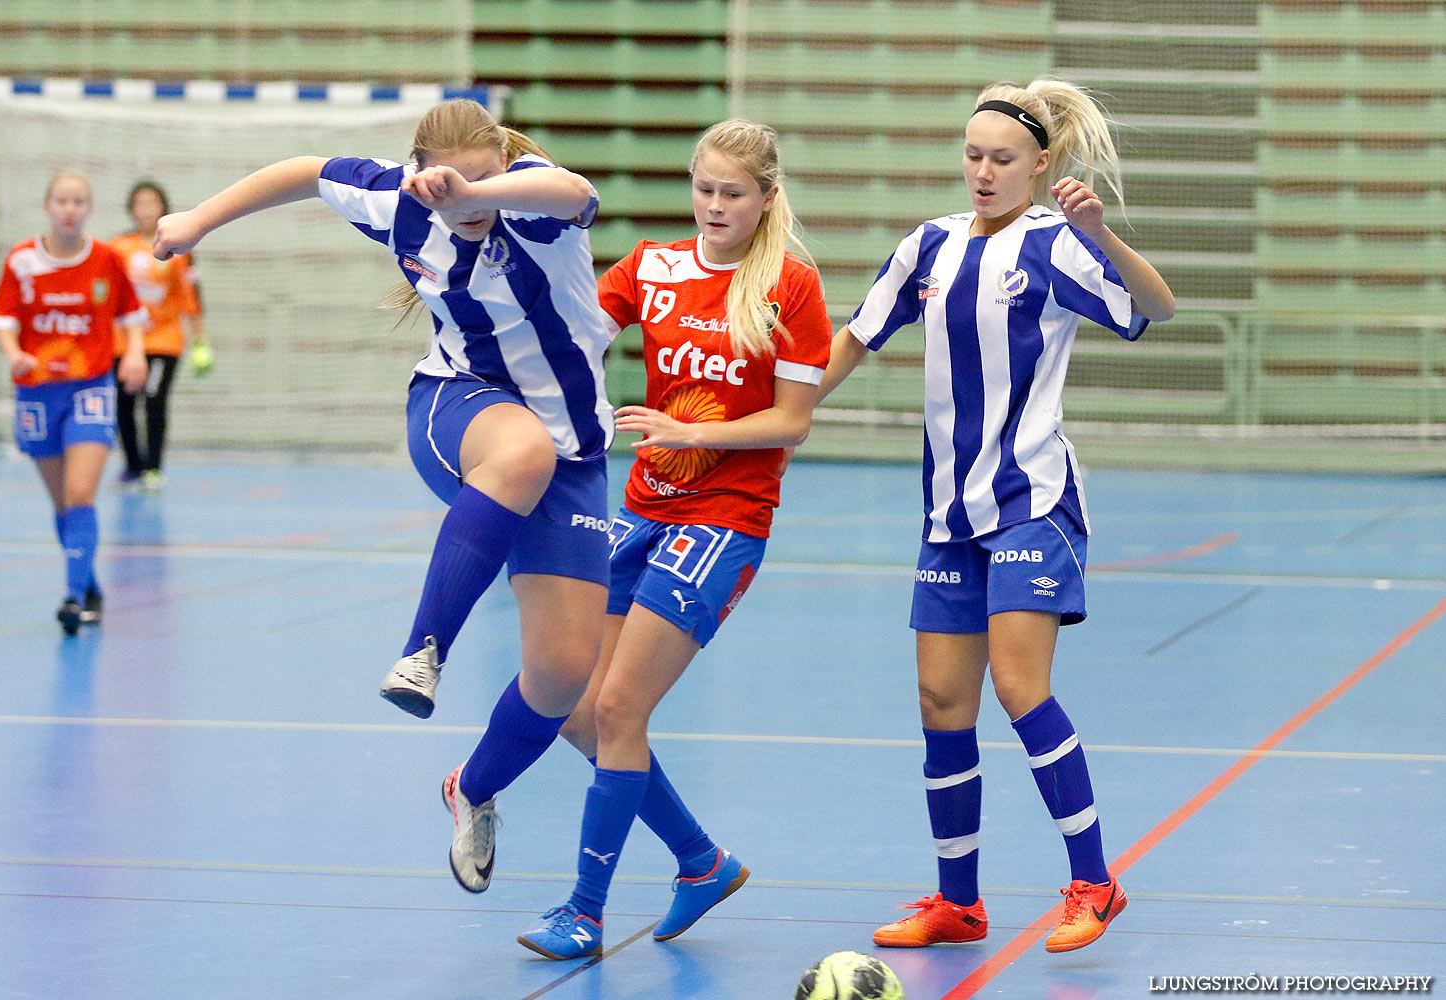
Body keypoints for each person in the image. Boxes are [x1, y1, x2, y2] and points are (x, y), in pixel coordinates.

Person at [151, 98, 615, 892]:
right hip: (455, 406)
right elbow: (304, 172)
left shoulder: (530, 204)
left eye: (484, 177)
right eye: (449, 185)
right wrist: (197, 218)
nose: (463, 198)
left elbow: (572, 192)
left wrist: (479, 195)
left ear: (502, 166)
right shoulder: (399, 201)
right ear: (421, 175)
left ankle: (471, 787)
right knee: (520, 449)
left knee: (565, 675)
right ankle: (423, 650)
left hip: (573, 455)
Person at [818, 79, 1176, 954]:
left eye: (1003, 159)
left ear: (1041, 165)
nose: (983, 171)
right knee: (943, 702)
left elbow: (1156, 309)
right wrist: (779, 424)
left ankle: (1095, 882)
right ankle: (956, 902)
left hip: (1032, 502)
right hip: (948, 513)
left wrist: (1100, 235)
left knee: (1019, 688)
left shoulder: (1057, 246)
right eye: (973, 156)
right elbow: (856, 337)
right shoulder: (928, 247)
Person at [517, 119, 832, 960]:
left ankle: (584, 910)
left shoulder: (791, 288)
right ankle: (701, 861)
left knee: (620, 708)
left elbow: (792, 423)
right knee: (579, 718)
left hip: (725, 519)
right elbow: (572, 325)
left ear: (767, 198)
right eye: (705, 189)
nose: (715, 207)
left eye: (734, 194)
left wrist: (680, 431)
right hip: (639, 509)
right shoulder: (656, 264)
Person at [0, 171, 150, 635]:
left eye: (79, 200)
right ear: (47, 205)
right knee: (62, 504)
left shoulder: (105, 259)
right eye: (61, 200)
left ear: (88, 208)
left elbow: (132, 314)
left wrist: (136, 352)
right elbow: (3, 319)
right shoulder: (22, 260)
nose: (69, 208)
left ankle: (73, 597)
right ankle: (90, 584)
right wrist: (14, 353)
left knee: (81, 494)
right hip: (38, 392)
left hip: (91, 387)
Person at [110, 181, 208, 493]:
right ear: (131, 208)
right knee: (123, 405)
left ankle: (153, 468)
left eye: (152, 203)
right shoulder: (117, 247)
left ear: (163, 208)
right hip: (123, 343)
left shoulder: (177, 247)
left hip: (163, 341)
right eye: (140, 203)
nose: (146, 209)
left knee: (153, 401)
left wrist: (200, 342)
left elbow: (190, 296)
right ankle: (131, 466)